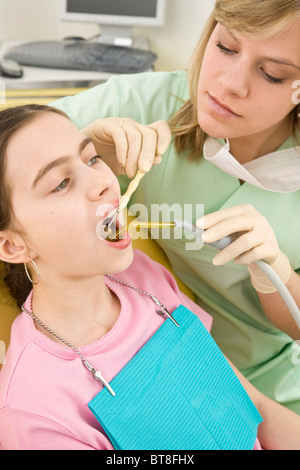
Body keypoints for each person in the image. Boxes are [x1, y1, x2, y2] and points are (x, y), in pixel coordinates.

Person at [1, 104, 300, 450]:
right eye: (62, 183)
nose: (102, 181)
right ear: (11, 246)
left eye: (92, 158)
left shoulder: (143, 277)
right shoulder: (32, 413)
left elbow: (256, 412)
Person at [51, 0, 300, 415]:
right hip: (137, 378)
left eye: (273, 74)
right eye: (226, 47)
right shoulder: (147, 103)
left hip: (268, 385)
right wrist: (84, 153)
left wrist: (277, 274)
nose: (231, 84)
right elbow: (18, 157)